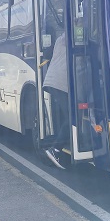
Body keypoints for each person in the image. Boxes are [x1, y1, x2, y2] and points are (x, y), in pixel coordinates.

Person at [42, 32, 69, 169]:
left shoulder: (61, 38)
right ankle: (55, 149)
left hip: (54, 81)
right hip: (61, 83)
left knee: (69, 116)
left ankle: (56, 147)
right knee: (72, 118)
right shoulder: (73, 36)